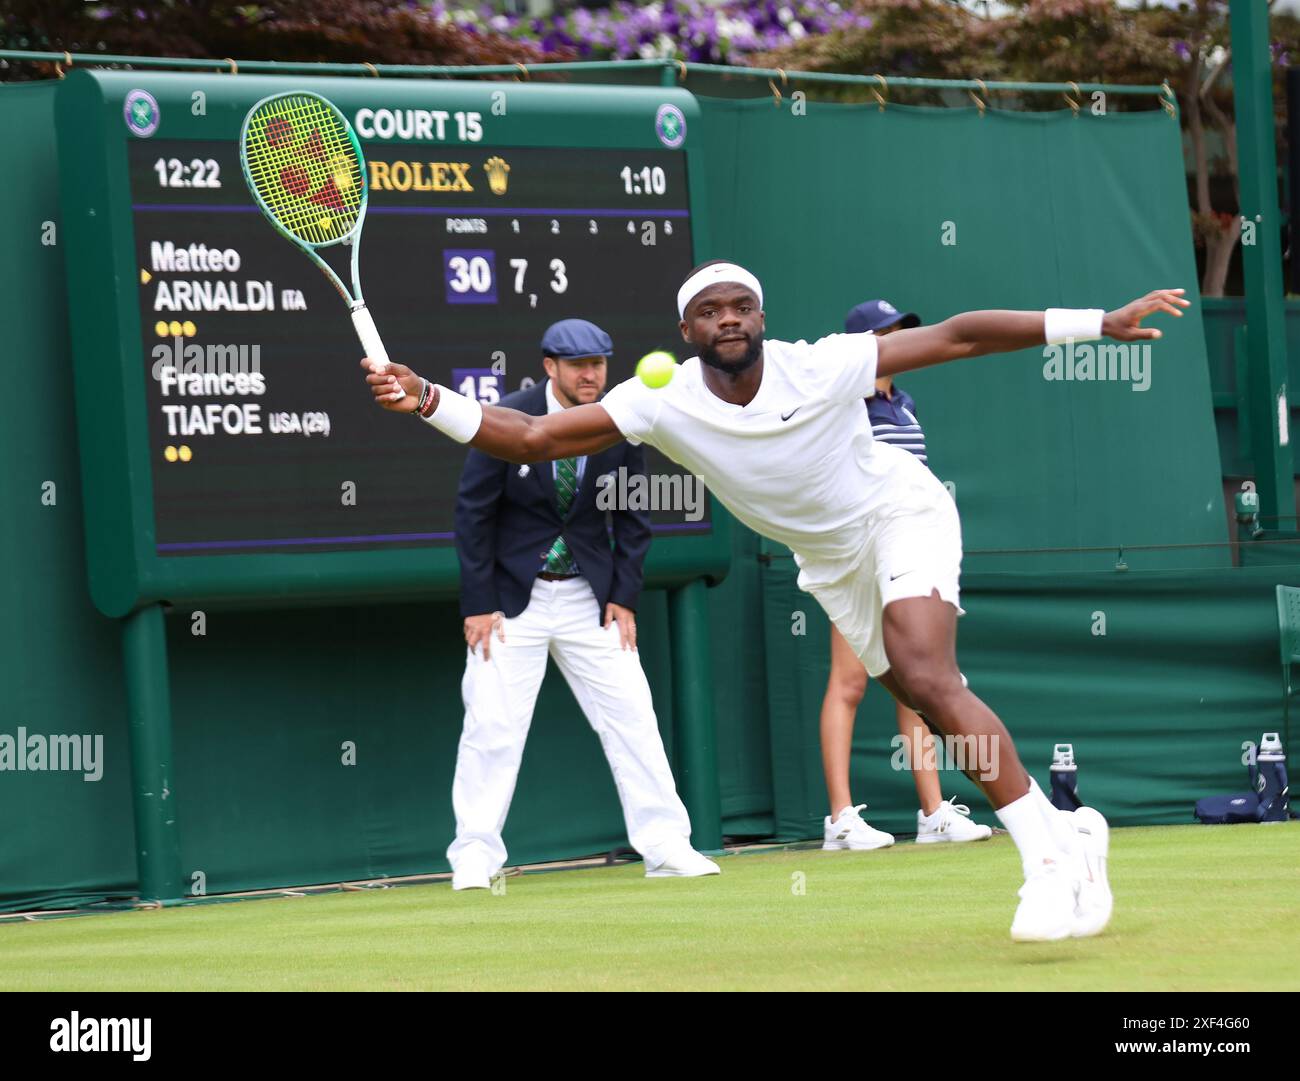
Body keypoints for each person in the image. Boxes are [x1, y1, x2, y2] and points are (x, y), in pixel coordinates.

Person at [364, 261, 1187, 941]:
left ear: (762, 318)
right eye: (710, 310)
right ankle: (1071, 829)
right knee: (926, 701)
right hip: (829, 561)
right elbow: (532, 438)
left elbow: (959, 334)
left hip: (900, 512)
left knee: (930, 676)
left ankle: (1043, 864)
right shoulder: (661, 400)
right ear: (687, 332)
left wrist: (1094, 322)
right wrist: (430, 397)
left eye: (743, 306)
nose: (729, 318)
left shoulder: (823, 362)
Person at [445, 317, 719, 890]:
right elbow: (473, 515)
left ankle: (666, 845)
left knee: (634, 719)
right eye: (578, 365)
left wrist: (624, 595)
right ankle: (475, 855)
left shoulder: (619, 421)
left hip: (589, 602)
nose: (592, 375)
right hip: (509, 605)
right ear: (550, 367)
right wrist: (478, 602)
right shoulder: (506, 417)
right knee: (491, 727)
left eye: (598, 363)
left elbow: (634, 518)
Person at [819, 299, 991, 851]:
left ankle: (933, 812)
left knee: (920, 683)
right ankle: (840, 820)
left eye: (900, 332)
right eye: (887, 334)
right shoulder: (843, 405)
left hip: (908, 556)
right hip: (857, 553)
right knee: (848, 684)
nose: (899, 341)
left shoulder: (904, 401)